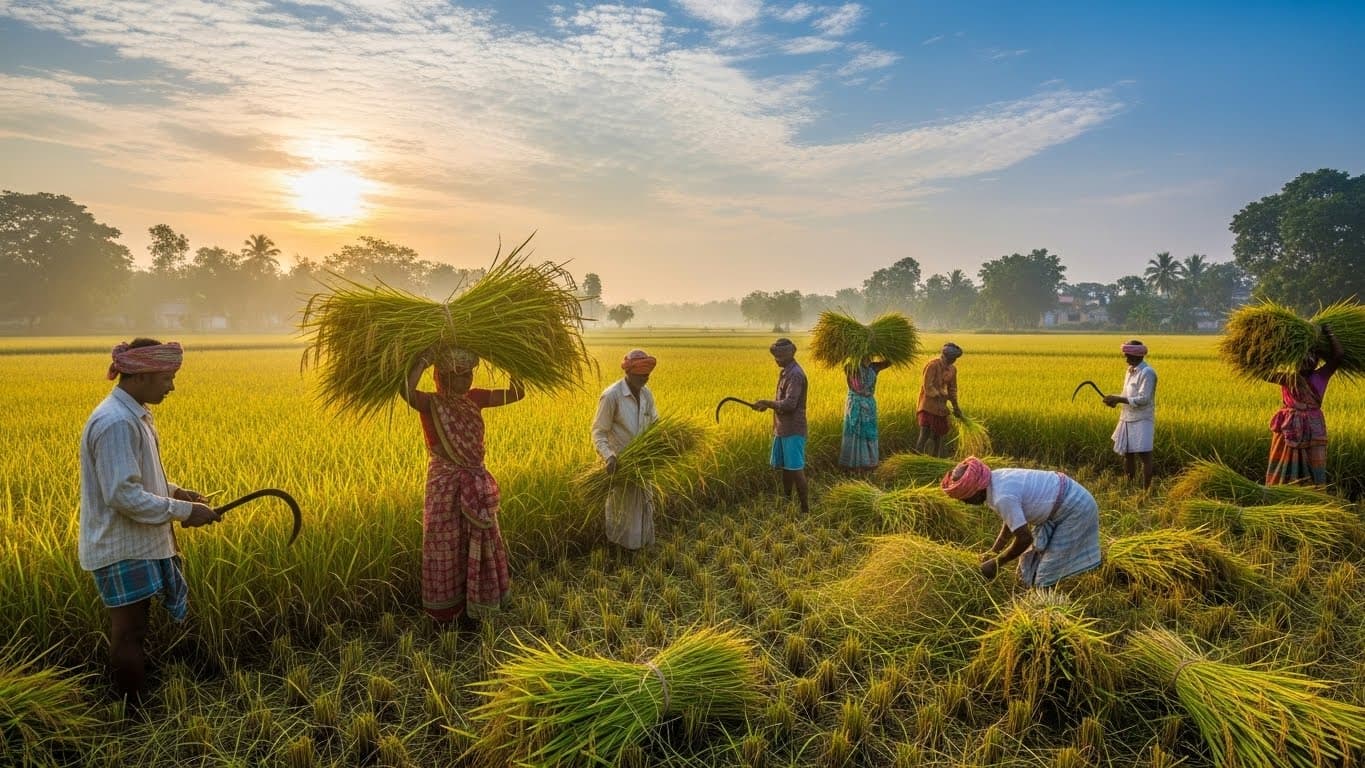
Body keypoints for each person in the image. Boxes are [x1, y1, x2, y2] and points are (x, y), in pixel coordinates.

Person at [79, 338, 219, 708]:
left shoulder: (134, 415)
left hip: (137, 544)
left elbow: (135, 479)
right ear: (140, 376)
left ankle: (137, 700)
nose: (172, 386)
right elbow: (123, 495)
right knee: (129, 634)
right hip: (123, 546)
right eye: (167, 378)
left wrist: (178, 493)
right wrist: (184, 512)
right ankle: (134, 715)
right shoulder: (115, 423)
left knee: (137, 631)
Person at [403, 346, 523, 627]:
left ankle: (479, 602)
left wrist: (507, 360)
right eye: (460, 375)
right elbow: (405, 392)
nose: (467, 379)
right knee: (444, 542)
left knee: (479, 539)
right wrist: (422, 362)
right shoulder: (431, 403)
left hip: (474, 481)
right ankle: (448, 613)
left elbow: (517, 393)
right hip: (444, 483)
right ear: (443, 377)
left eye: (469, 373)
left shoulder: (476, 397)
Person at [940, 456, 1101, 588]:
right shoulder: (993, 481)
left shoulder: (1002, 496)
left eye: (964, 497)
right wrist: (993, 551)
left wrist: (997, 562)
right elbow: (1012, 520)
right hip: (1059, 504)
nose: (965, 502)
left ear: (975, 490)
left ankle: (1047, 609)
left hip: (1075, 507)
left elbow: (1025, 538)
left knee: (1046, 575)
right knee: (1030, 564)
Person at [591, 349, 660, 549]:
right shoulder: (611, 396)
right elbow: (598, 432)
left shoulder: (647, 394)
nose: (644, 380)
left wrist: (666, 440)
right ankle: (621, 553)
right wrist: (609, 457)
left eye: (647, 376)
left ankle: (642, 551)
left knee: (644, 509)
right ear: (628, 373)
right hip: (620, 466)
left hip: (643, 465)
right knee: (623, 512)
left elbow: (655, 423)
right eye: (640, 376)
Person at [1264, 324, 1345, 486]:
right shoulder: (1287, 378)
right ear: (1294, 359)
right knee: (1284, 462)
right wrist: (1275, 341)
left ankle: (1312, 496)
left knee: (1313, 462)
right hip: (1289, 428)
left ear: (1317, 361)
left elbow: (1338, 356)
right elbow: (1263, 370)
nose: (1308, 361)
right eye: (1303, 358)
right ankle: (1282, 492)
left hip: (1312, 428)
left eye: (1312, 358)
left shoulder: (1321, 375)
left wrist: (1329, 333)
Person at [751, 338, 810, 514]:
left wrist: (767, 403)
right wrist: (767, 405)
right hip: (783, 427)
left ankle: (805, 509)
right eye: (775, 356)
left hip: (793, 429)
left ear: (788, 355)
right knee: (787, 467)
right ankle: (787, 501)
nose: (776, 360)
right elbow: (781, 402)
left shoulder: (796, 374)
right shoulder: (786, 371)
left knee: (796, 469)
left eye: (778, 357)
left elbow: (790, 404)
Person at [1103, 340, 1157, 489]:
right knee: (1128, 455)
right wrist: (1114, 401)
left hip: (1142, 419)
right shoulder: (1130, 371)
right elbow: (1126, 394)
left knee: (1145, 456)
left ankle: (1146, 490)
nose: (1126, 360)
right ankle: (1129, 486)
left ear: (1136, 355)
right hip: (1127, 418)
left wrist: (1119, 399)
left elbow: (1143, 399)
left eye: (1128, 356)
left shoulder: (1148, 373)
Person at [839, 356, 892, 470]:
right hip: (855, 404)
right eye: (865, 355)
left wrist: (884, 348)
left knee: (868, 433)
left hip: (868, 405)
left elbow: (889, 362)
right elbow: (846, 366)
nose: (868, 358)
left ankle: (868, 464)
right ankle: (852, 464)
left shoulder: (873, 367)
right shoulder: (851, 367)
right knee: (855, 432)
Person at [916, 342, 964, 457]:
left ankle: (934, 460)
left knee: (938, 436)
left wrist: (956, 407)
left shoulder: (952, 369)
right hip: (928, 405)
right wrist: (938, 394)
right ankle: (916, 458)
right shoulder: (932, 365)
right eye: (952, 358)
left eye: (955, 359)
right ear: (945, 356)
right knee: (924, 434)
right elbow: (927, 386)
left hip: (941, 408)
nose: (953, 361)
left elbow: (952, 389)